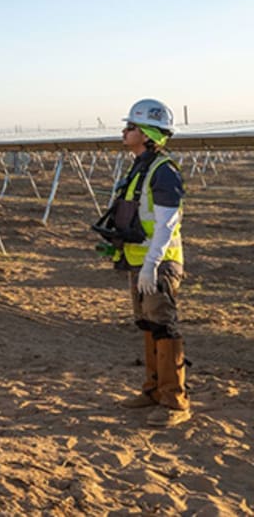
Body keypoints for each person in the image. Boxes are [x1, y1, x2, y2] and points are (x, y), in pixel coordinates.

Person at [110, 99, 190, 427]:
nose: (124, 131)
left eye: (130, 127)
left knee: (164, 326)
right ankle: (154, 390)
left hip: (158, 263)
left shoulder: (163, 171)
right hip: (139, 260)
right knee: (148, 325)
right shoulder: (140, 166)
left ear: (145, 133)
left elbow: (166, 224)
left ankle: (175, 402)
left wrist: (152, 264)